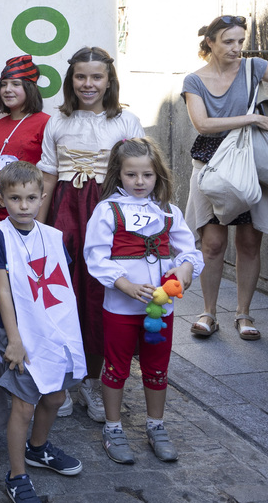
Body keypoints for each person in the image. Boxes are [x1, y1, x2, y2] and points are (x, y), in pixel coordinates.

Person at [181, 15, 268, 341]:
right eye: (228, 41)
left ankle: (243, 313)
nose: (237, 48)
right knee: (212, 244)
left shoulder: (254, 67)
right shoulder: (194, 81)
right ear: (210, 42)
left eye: (240, 41)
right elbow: (203, 125)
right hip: (211, 163)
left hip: (250, 163)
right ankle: (208, 312)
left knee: (250, 242)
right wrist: (251, 117)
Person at [37, 46, 144, 422]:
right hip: (67, 211)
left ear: (109, 80)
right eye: (81, 76)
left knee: (102, 294)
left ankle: (94, 382)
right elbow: (49, 175)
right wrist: (38, 226)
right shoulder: (58, 121)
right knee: (64, 292)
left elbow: (138, 175)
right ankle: (64, 380)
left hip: (108, 211)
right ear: (71, 80)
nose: (88, 84)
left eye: (96, 77)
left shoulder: (125, 121)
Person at [83, 138, 202, 465]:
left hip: (161, 307)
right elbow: (95, 256)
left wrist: (186, 269)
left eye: (146, 175)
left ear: (157, 175)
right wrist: (126, 285)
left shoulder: (168, 212)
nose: (139, 182)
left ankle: (156, 425)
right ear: (118, 175)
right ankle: (113, 427)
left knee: (156, 367)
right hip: (121, 307)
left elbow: (189, 250)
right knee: (117, 366)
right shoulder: (108, 210)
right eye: (131, 175)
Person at [0, 161, 84, 503]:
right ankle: (17, 474)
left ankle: (38, 448)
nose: (23, 205)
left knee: (55, 395)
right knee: (24, 404)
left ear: (42, 198)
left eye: (30, 198)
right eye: (15, 198)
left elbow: (58, 288)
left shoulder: (52, 236)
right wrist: (15, 339)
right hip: (20, 331)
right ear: (2, 199)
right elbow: (4, 291)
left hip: (53, 329)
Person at [0, 55, 51, 231]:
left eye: (15, 84)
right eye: (4, 84)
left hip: (28, 216)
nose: (7, 89)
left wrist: (39, 224)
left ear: (30, 88)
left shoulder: (46, 124)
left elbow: (50, 176)